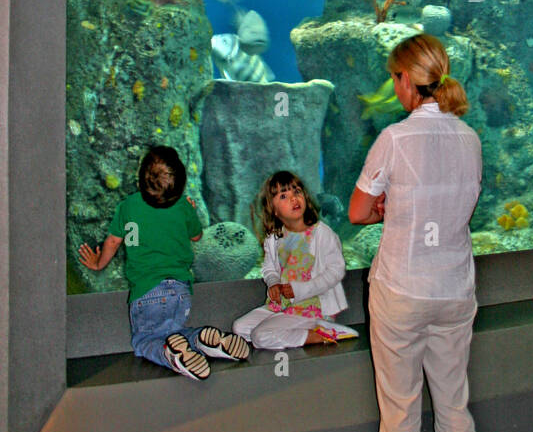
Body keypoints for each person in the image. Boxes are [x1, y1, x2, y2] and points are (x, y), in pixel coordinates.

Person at [346, 34, 483, 432]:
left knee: (400, 410)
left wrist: (389, 208)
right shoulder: (470, 138)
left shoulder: (395, 139)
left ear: (406, 79)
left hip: (402, 289)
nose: (394, 87)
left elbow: (358, 211)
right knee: (454, 403)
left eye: (394, 78)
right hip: (455, 289)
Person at [79, 145, 249, 380]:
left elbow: (112, 242)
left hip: (146, 292)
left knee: (145, 341)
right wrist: (188, 211)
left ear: (140, 180)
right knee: (174, 332)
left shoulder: (127, 207)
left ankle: (172, 355)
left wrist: (98, 263)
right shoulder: (183, 206)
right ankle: (203, 339)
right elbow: (197, 236)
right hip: (180, 292)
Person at [233, 171, 357, 349]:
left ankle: (319, 334)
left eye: (297, 192)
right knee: (240, 328)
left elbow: (336, 271)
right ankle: (292, 332)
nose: (293, 199)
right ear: (273, 210)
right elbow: (269, 269)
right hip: (282, 306)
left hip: (312, 307)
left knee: (260, 336)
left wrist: (301, 289)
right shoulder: (274, 238)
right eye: (284, 196)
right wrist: (274, 283)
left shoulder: (321, 233)